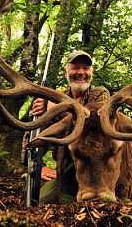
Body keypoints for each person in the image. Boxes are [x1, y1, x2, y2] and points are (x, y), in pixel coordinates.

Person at [29, 50, 110, 203]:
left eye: (85, 68)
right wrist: (40, 166)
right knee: (33, 196)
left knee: (47, 200)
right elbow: (34, 137)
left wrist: (57, 109)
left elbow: (95, 127)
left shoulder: (100, 94)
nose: (81, 72)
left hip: (94, 162)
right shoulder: (53, 98)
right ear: (66, 71)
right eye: (75, 67)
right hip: (66, 166)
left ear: (92, 71)